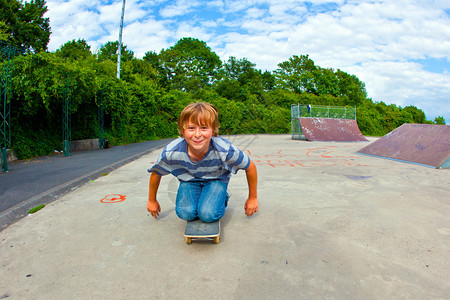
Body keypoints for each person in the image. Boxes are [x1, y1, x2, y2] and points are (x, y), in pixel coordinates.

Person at [147, 102, 258, 222]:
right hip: (189, 180)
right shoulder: (171, 152)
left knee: (207, 214)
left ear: (213, 130)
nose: (197, 134)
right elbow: (156, 173)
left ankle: (222, 195)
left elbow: (250, 167)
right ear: (182, 130)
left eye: (204, 128)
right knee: (186, 214)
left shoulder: (224, 150)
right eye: (191, 128)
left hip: (216, 179)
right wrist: (151, 200)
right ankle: (201, 195)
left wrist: (252, 198)